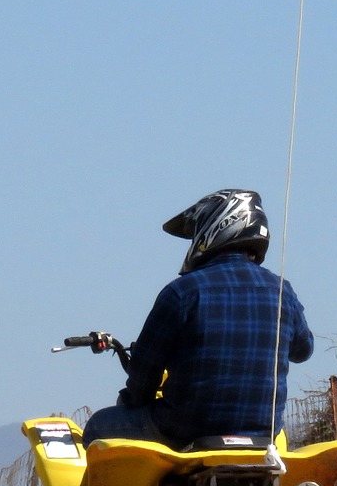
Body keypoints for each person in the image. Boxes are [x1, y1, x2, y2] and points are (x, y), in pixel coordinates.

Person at [82, 189, 315, 449]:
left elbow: (144, 373)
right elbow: (303, 350)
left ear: (215, 228)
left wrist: (134, 399)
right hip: (264, 433)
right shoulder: (283, 291)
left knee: (98, 425)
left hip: (184, 428)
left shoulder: (183, 292)